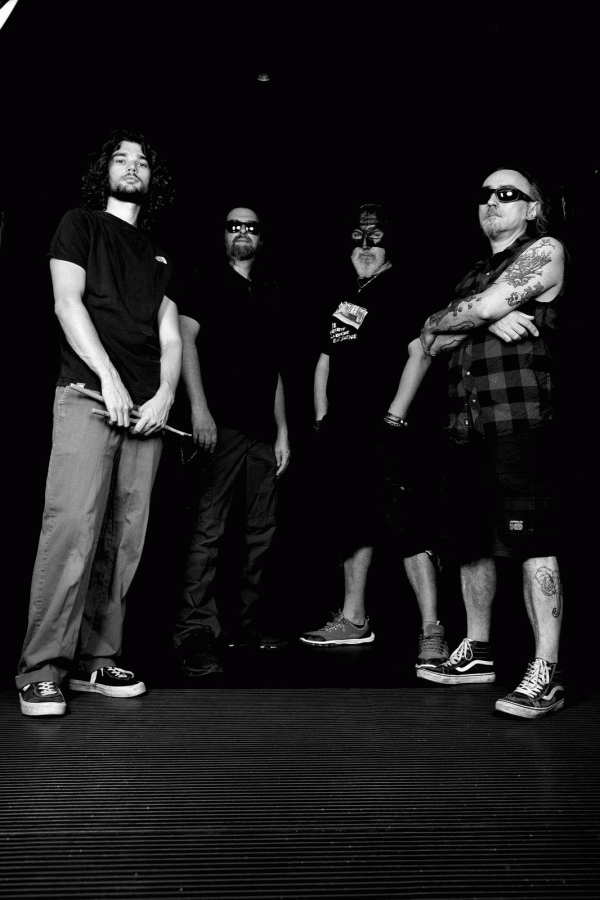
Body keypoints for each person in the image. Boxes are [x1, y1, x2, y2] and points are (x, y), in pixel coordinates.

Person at [17, 130, 181, 716]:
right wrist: (109, 378)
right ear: (104, 171)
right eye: (121, 157)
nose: (132, 166)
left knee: (125, 539)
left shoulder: (159, 254)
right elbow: (67, 303)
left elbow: (170, 334)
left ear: (153, 178)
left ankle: (97, 659)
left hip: (146, 413)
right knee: (72, 529)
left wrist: (165, 395)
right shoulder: (80, 224)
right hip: (88, 395)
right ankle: (41, 669)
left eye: (143, 161)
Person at [418, 167, 565, 719]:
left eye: (508, 194)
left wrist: (476, 316)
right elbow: (429, 339)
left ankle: (546, 671)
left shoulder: (546, 250)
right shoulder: (475, 274)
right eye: (485, 195)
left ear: (532, 208)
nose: (493, 202)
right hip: (465, 430)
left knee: (533, 543)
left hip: (519, 426)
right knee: (470, 543)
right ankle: (477, 650)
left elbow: (468, 315)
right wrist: (484, 317)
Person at [299, 204, 448, 670]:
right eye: (358, 238)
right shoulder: (345, 295)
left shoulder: (402, 288)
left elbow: (420, 353)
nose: (365, 246)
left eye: (375, 238)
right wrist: (322, 417)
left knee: (408, 526)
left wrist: (395, 417)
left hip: (385, 427)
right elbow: (325, 357)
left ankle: (432, 631)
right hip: (343, 430)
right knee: (352, 523)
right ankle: (353, 619)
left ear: (389, 246)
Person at [172, 206, 290, 678]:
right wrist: (199, 408)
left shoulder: (267, 291)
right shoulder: (204, 281)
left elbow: (273, 367)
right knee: (209, 529)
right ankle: (194, 632)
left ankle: (245, 625)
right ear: (223, 235)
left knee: (261, 532)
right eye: (234, 225)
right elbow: (184, 340)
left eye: (251, 227)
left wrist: (283, 430)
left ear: (261, 239)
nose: (243, 232)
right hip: (220, 425)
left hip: (262, 431)